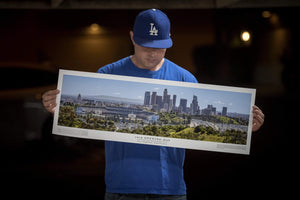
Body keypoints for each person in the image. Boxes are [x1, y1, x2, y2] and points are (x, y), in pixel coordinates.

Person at [42, 9, 265, 200]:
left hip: (170, 189)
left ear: (170, 39)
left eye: (159, 46)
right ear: (131, 37)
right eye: (145, 45)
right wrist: (59, 111)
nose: (152, 53)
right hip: (122, 189)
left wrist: (245, 127)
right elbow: (89, 127)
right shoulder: (108, 75)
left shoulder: (185, 80)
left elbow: (202, 137)